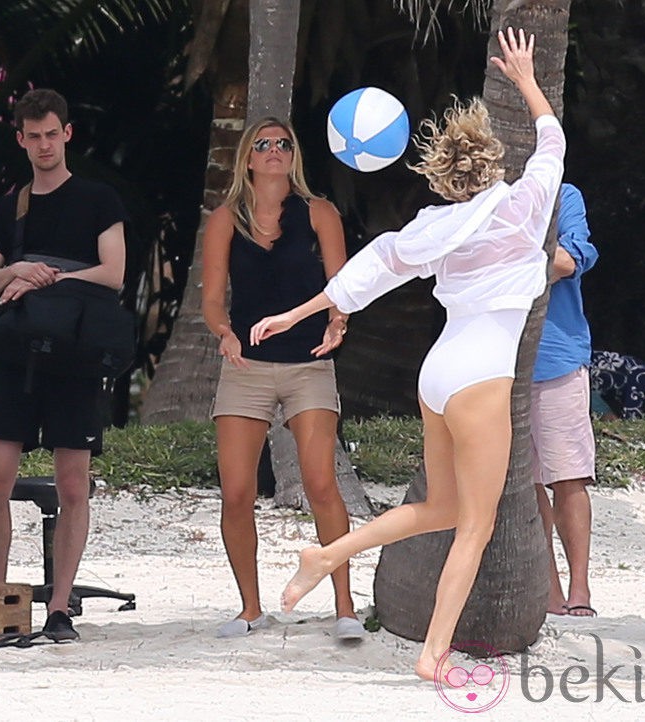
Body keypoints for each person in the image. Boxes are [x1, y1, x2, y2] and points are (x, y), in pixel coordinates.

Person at [250, 28, 562, 680]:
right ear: (492, 167)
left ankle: (328, 555)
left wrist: (296, 313)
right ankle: (432, 655)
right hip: (481, 377)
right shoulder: (527, 205)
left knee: (443, 511)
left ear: (446, 182)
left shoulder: (432, 228)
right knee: (473, 528)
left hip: (439, 374)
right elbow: (553, 143)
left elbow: (366, 274)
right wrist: (528, 79)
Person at [0, 88, 127, 641]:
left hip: (77, 356)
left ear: (67, 133)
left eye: (50, 133)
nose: (43, 143)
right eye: (32, 135)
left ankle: (60, 606)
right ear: (21, 139)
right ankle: (1, 599)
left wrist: (52, 275)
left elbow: (113, 273)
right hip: (17, 357)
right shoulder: (10, 205)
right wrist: (21, 267)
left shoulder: (98, 199)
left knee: (73, 487)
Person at [201, 117, 361, 640]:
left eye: (284, 144)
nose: (274, 151)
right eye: (263, 145)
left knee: (320, 482)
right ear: (247, 159)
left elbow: (341, 286)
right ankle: (251, 608)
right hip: (246, 367)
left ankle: (344, 607)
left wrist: (339, 322)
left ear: (294, 155)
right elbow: (211, 302)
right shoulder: (226, 218)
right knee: (237, 491)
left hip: (308, 362)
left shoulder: (319, 213)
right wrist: (224, 332)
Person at [530, 183, 599, 618]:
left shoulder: (565, 195)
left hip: (557, 354)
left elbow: (568, 261)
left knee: (568, 476)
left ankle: (580, 588)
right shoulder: (484, 191)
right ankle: (552, 588)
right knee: (529, 481)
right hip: (500, 358)